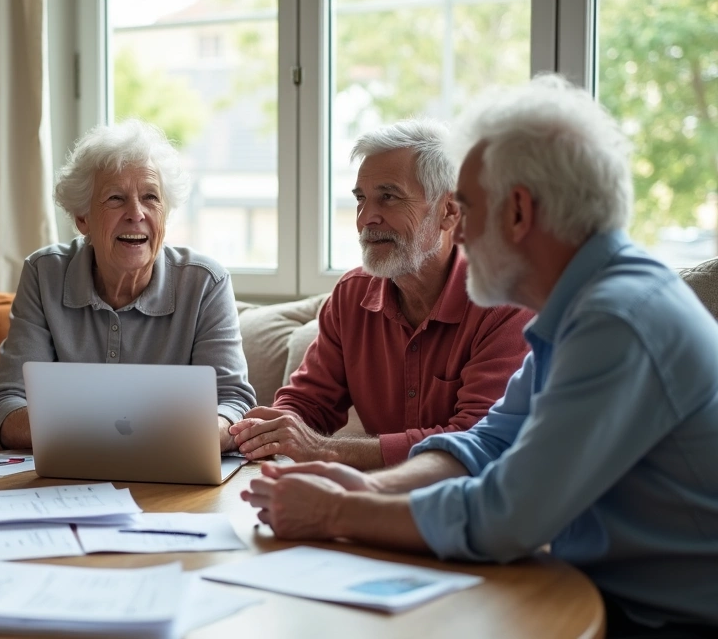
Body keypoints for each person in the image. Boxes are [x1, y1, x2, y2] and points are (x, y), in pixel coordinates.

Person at [241, 75, 718, 635]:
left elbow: (508, 516)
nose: (460, 232)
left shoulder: (616, 318)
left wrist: (336, 512)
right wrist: (370, 488)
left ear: (517, 211)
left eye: (466, 207)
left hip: (666, 620)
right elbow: (486, 440)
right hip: (600, 595)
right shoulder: (582, 305)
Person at [231, 120, 532, 469]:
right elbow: (309, 403)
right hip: (376, 495)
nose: (365, 219)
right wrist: (269, 429)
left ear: (449, 211)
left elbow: (474, 441)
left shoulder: (505, 302)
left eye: (388, 197)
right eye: (361, 199)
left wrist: (322, 449)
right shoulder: (351, 294)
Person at [0, 120, 256, 450]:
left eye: (150, 197)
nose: (136, 213)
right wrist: (109, 435)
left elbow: (233, 406)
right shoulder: (45, 274)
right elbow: (6, 405)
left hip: (172, 474)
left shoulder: (205, 283)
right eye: (115, 198)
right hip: (68, 479)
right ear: (82, 218)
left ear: (165, 214)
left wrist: (155, 438)